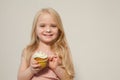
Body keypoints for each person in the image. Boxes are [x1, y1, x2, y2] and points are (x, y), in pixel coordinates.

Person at [17, 8, 75, 80]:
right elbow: (20, 78)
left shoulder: (62, 50)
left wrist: (56, 68)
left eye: (53, 26)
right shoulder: (28, 51)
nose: (48, 30)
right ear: (35, 29)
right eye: (42, 26)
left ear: (59, 29)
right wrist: (31, 70)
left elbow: (69, 78)